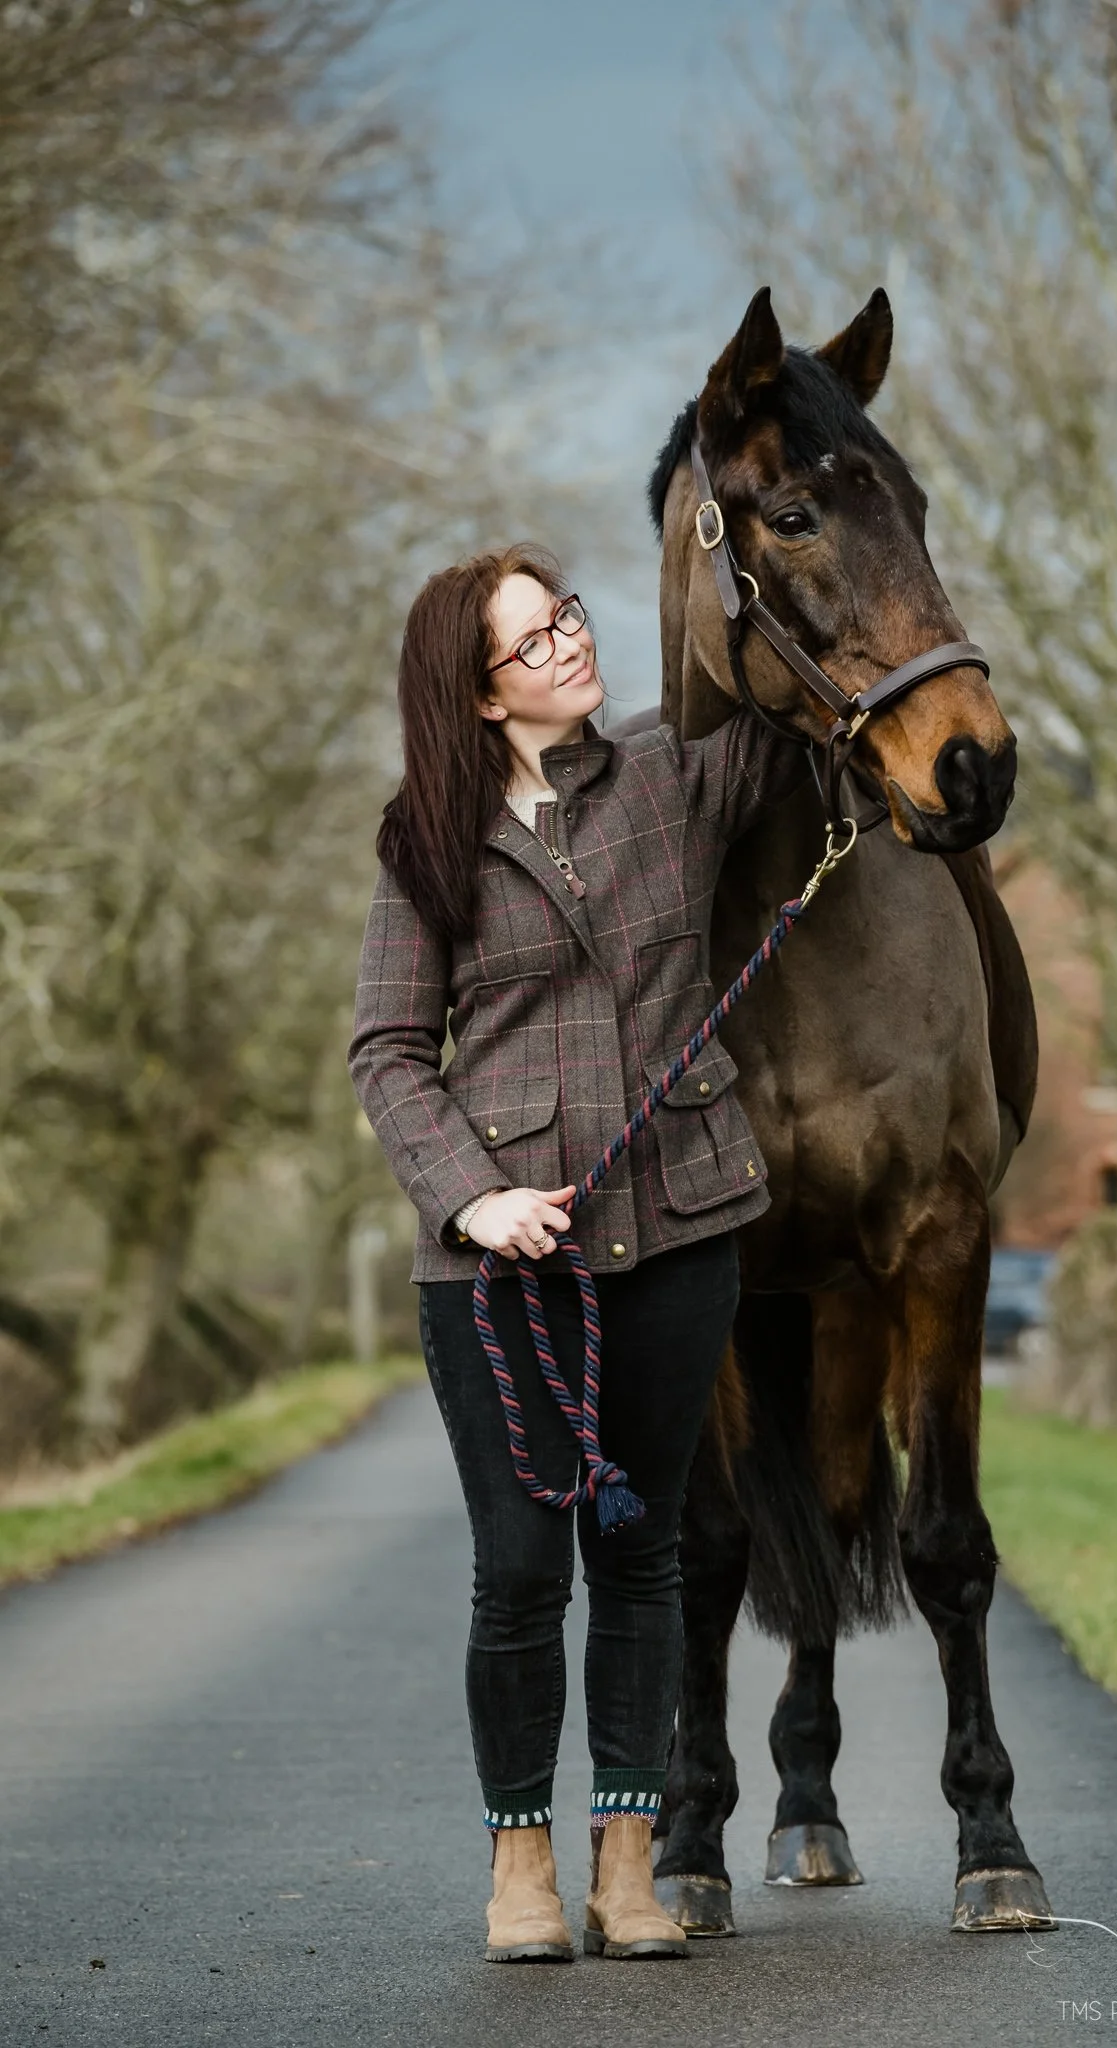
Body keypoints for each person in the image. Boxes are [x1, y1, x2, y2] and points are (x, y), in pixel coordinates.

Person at [348, 544, 808, 1963]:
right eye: (532, 640)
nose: (568, 647)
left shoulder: (676, 777)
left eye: (568, 620)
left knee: (643, 1550)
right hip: (499, 1276)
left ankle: (629, 1862)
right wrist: (473, 1200)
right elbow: (387, 1052)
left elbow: (802, 704)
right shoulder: (422, 839)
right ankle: (521, 1870)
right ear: (476, 695)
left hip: (677, 1233)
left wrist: (752, 544)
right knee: (519, 1570)